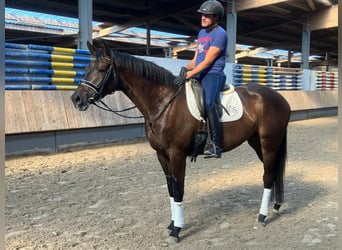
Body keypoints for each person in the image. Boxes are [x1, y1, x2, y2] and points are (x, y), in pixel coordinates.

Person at [174, 0, 227, 158]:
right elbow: (197, 59)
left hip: (213, 74)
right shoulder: (201, 33)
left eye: (207, 15)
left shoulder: (220, 34)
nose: (203, 17)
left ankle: (216, 145)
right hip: (199, 73)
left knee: (209, 103)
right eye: (202, 15)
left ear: (216, 17)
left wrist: (189, 75)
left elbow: (208, 61)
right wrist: (185, 69)